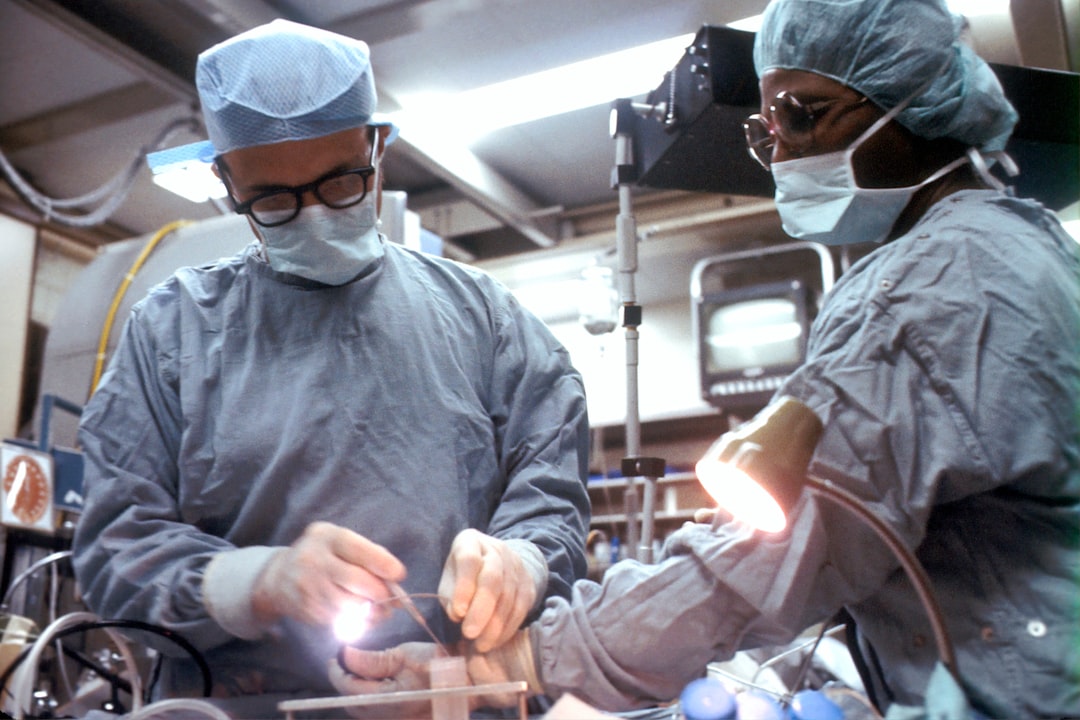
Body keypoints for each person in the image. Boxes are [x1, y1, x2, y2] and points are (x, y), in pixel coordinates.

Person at [331, 0, 1080, 717]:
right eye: (767, 128)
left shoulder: (925, 290)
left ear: (912, 97)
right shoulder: (1026, 244)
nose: (780, 151)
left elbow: (761, 561)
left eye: (802, 114)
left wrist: (518, 663)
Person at [71, 18, 591, 716]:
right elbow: (115, 547)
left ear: (377, 146)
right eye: (274, 201)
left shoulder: (486, 322)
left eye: (342, 183)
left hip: (448, 699)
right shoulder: (174, 333)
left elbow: (549, 493)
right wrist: (259, 581)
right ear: (225, 180)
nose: (313, 216)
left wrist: (523, 562)